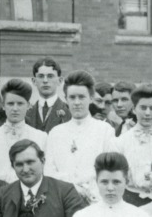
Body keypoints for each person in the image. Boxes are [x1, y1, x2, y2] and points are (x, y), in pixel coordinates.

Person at [44, 70, 117, 204]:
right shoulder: (56, 132)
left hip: (95, 199)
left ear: (91, 98)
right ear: (66, 99)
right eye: (72, 97)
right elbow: (49, 171)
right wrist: (72, 188)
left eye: (81, 97)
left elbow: (108, 169)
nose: (77, 102)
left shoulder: (105, 130)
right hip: (61, 199)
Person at [0, 78, 47, 184]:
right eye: (10, 104)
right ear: (3, 105)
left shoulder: (40, 137)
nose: (15, 109)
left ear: (28, 105)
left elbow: (44, 173)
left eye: (20, 104)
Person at [25, 57, 70, 133]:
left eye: (50, 76)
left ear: (60, 80)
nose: (45, 81)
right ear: (34, 81)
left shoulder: (68, 111)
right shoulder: (27, 113)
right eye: (41, 76)